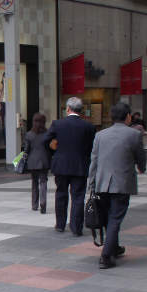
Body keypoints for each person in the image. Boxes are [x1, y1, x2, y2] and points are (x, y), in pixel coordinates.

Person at [88, 102, 147, 269]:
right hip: (121, 184)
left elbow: (94, 161)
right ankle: (106, 256)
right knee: (115, 218)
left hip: (102, 183)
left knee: (108, 218)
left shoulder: (101, 135)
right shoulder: (134, 134)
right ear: (128, 116)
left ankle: (114, 247)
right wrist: (142, 168)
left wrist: (91, 184)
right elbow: (140, 156)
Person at [46, 97, 96, 236]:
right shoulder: (89, 127)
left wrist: (55, 152)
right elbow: (92, 147)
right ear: (81, 110)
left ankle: (60, 225)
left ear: (68, 109)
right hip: (80, 165)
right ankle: (76, 227)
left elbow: (45, 140)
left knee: (61, 194)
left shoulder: (57, 124)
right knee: (78, 196)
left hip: (61, 165)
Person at [23, 112, 51, 214]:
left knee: (34, 183)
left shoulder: (29, 134)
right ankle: (43, 203)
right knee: (43, 182)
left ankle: (34, 205)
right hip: (44, 161)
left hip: (32, 162)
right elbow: (50, 148)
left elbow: (26, 150)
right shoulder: (47, 134)